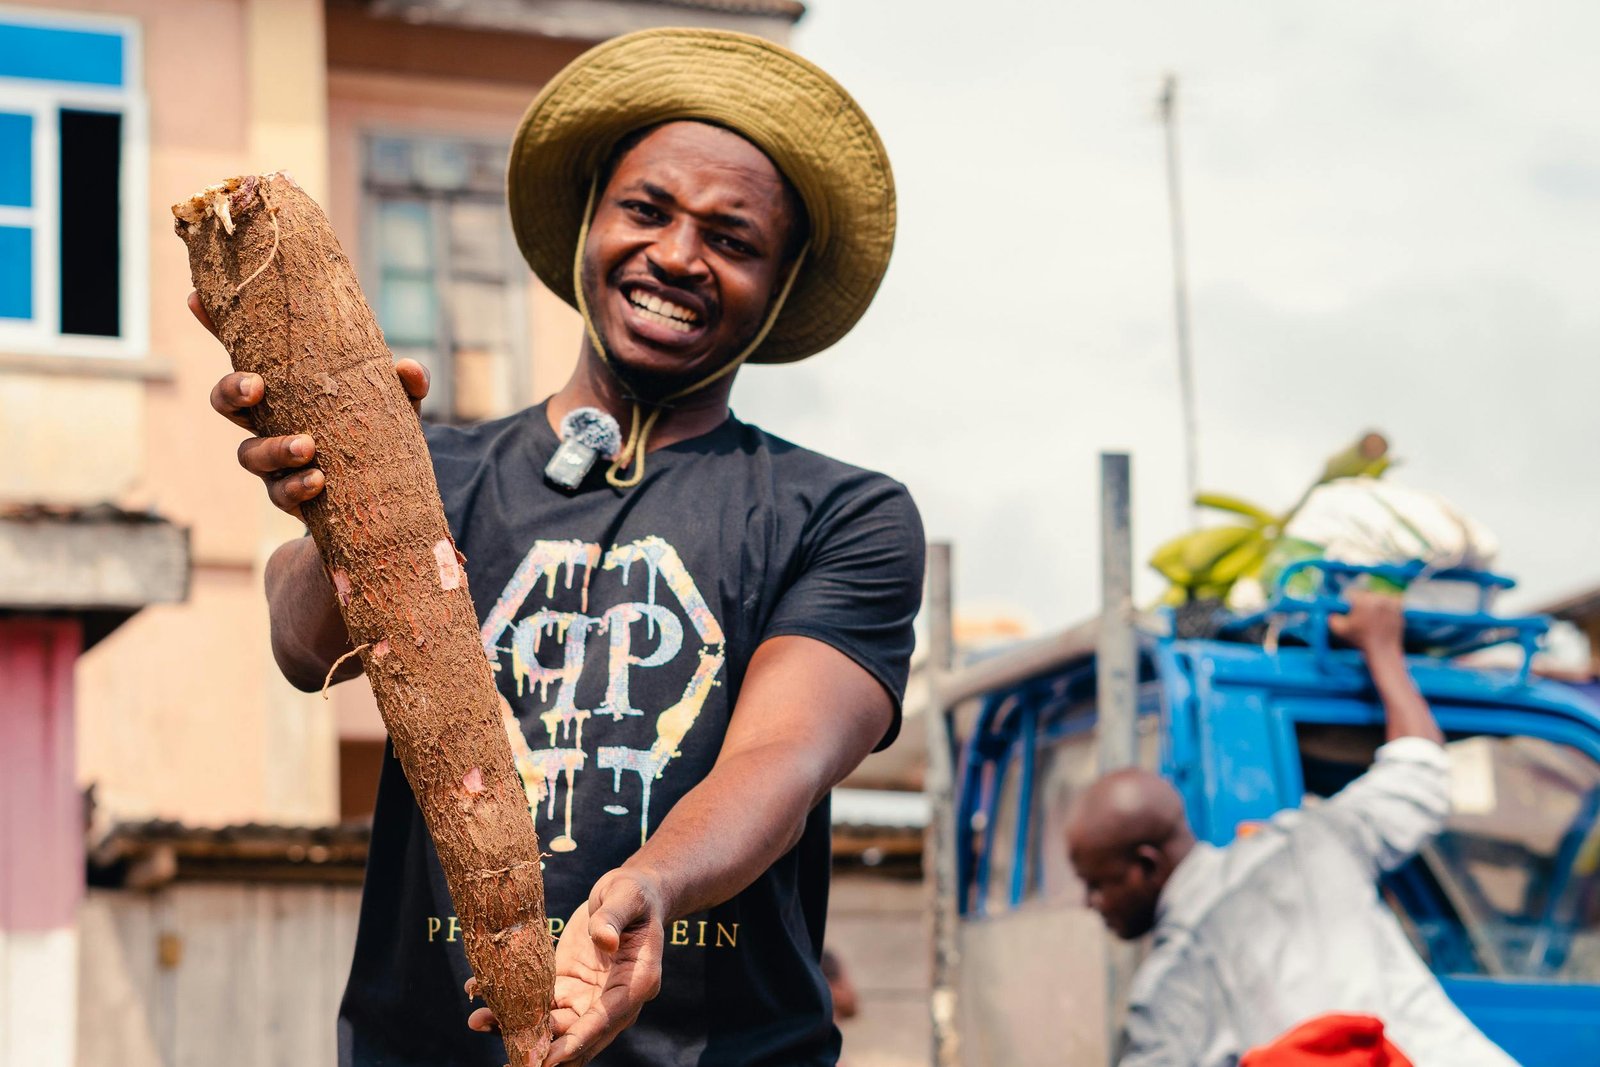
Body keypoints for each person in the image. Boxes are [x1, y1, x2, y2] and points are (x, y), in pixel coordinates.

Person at [194, 28, 921, 1067]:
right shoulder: (441, 472)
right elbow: (304, 648)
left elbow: (783, 754)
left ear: (783, 279)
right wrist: (337, 501)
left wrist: (650, 885)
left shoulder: (838, 512)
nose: (676, 255)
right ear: (588, 218)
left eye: (733, 238)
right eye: (646, 209)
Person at [1065, 590, 1518, 1067]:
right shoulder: (1311, 841)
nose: (1090, 904)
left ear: (1145, 866)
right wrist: (1382, 646)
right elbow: (1420, 769)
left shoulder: (1168, 998)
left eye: (1097, 885)